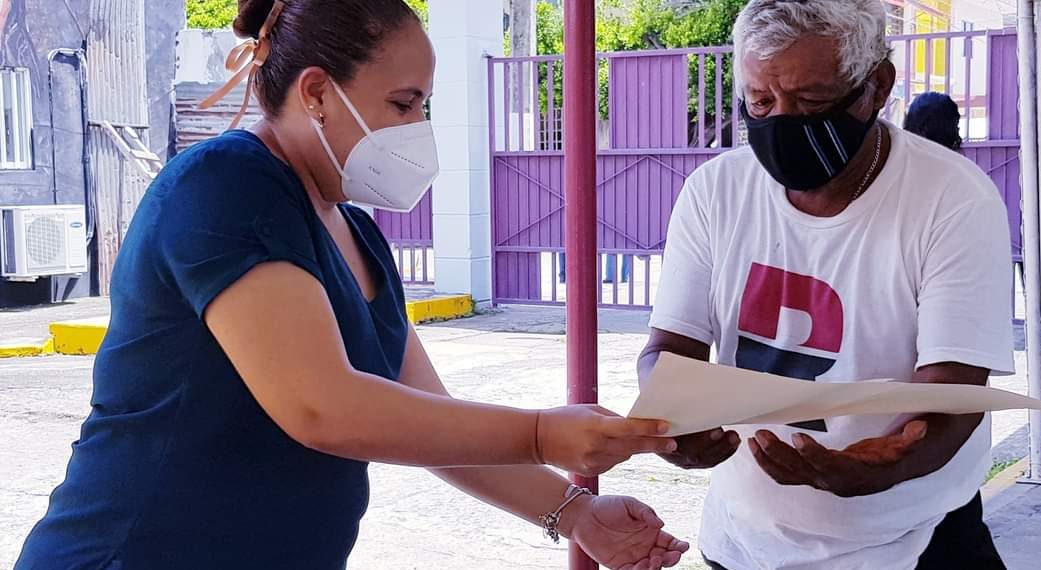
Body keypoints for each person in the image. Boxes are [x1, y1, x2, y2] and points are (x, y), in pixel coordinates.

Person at [15, 2, 690, 569]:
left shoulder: (356, 232)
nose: (418, 128)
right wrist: (540, 433)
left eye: (423, 106)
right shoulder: (227, 185)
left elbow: (430, 419)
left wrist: (576, 513)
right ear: (315, 93)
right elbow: (324, 408)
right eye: (403, 103)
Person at [638, 1, 1013, 569]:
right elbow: (668, 350)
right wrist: (672, 420)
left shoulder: (952, 200)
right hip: (744, 542)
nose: (782, 122)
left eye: (811, 101)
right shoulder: (716, 190)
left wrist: (886, 466)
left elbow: (954, 397)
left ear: (877, 86)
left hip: (912, 540)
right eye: (761, 102)